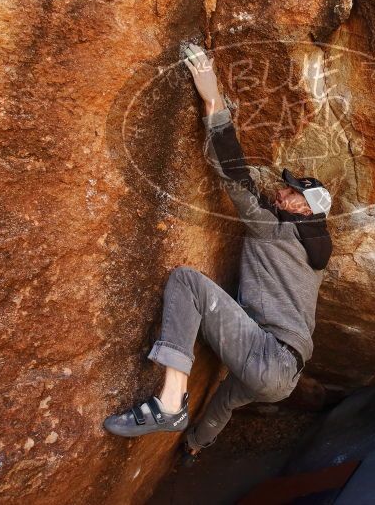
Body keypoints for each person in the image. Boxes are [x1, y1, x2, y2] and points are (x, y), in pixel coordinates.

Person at [103, 43, 333, 464]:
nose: (281, 191)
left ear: (303, 206)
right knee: (225, 401)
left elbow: (235, 175)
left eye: (291, 191)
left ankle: (170, 406)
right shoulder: (316, 251)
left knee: (186, 282)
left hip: (269, 355)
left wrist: (212, 99)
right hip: (285, 376)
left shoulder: (277, 229)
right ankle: (194, 446)